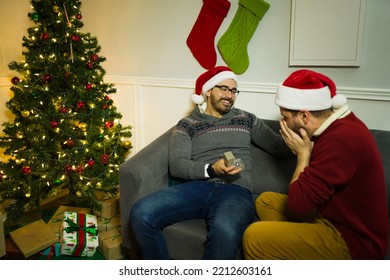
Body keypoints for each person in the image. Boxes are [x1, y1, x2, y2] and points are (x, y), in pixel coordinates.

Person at [130, 66, 292, 260]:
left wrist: (299, 132)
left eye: (233, 91)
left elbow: (278, 147)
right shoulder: (187, 124)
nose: (229, 95)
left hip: (236, 192)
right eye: (223, 88)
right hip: (196, 188)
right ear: (208, 91)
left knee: (225, 230)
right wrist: (212, 169)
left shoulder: (247, 119)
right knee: (141, 212)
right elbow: (177, 164)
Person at [243, 69, 389, 260]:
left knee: (254, 237)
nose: (283, 124)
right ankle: (297, 247)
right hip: (329, 216)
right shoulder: (335, 126)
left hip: (354, 241)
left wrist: (303, 155)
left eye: (285, 117)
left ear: (304, 116)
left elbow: (298, 204)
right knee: (266, 201)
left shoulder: (341, 139)